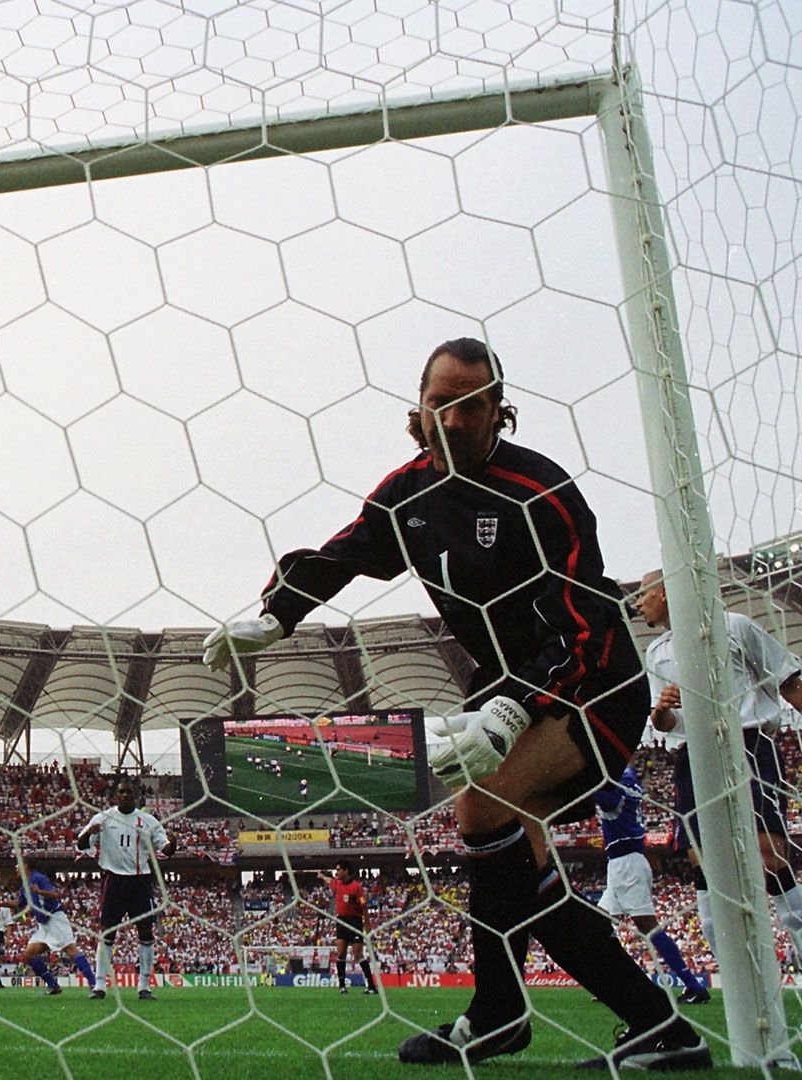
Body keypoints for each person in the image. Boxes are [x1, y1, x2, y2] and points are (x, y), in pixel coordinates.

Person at [203, 338, 705, 1068]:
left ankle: (519, 1013)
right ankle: (598, 1020)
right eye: (442, 401)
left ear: (501, 412)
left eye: (474, 403)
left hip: (593, 683)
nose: (457, 416)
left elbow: (586, 626)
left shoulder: (541, 492)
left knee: (486, 807)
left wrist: (515, 707)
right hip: (506, 688)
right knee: (498, 833)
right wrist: (278, 613)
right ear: (418, 411)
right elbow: (345, 552)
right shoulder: (408, 492)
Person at [634, 570, 802, 950]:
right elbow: (663, 724)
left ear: (664, 591)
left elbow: (788, 681)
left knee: (767, 851)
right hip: (692, 754)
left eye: (644, 594)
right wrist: (661, 707)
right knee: (704, 859)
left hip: (749, 742)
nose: (638, 602)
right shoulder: (656, 651)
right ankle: (731, 962)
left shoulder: (735, 627)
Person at [593, 764, 707, 1004]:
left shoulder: (616, 790)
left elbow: (601, 798)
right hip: (623, 863)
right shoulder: (629, 778)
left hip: (627, 864)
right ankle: (617, 983)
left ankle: (694, 986)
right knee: (598, 925)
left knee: (649, 928)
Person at [77, 779, 174, 1000]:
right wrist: (88, 833)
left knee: (146, 933)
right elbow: (82, 845)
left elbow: (165, 849)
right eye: (121, 792)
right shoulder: (102, 818)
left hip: (141, 881)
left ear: (136, 795)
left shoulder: (148, 821)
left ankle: (144, 986)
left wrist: (173, 845)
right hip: (114, 880)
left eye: (129, 792)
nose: (124, 795)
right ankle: (100, 985)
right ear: (115, 796)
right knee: (107, 932)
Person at [0, 863, 99, 996]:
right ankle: (53, 985)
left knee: (71, 950)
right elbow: (19, 903)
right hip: (44, 924)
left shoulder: (38, 878)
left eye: (18, 867)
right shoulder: (25, 885)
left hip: (55, 918)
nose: (16, 870)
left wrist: (39, 891)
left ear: (26, 866)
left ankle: (94, 984)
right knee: (29, 954)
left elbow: (55, 894)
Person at [322, 864, 377, 994]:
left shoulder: (356, 887)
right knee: (341, 953)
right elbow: (330, 881)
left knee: (358, 954)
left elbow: (363, 906)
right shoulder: (338, 883)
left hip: (354, 921)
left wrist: (367, 924)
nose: (336, 872)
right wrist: (322, 876)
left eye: (339, 870)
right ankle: (342, 986)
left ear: (346, 870)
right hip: (341, 921)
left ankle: (371, 985)